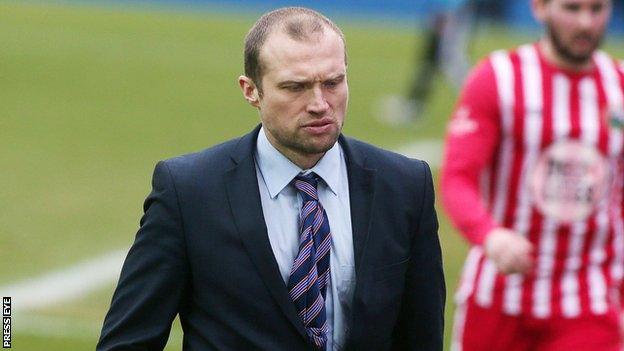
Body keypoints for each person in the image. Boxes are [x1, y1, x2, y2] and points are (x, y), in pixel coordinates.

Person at [97, 7, 445, 351]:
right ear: (251, 91)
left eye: (333, 82)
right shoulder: (189, 192)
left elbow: (422, 336)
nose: (320, 103)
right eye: (296, 87)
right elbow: (128, 340)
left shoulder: (404, 185)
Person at [440, 0, 624, 350]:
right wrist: (491, 236)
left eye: (597, 8)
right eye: (572, 9)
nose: (586, 23)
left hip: (588, 300)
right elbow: (458, 178)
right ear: (540, 8)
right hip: (497, 295)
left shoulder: (619, 86)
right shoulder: (498, 78)